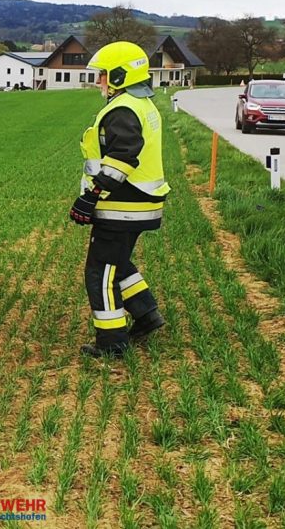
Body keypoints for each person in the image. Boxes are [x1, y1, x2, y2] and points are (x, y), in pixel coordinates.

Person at [69, 41, 170, 359]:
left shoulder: (124, 109)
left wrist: (90, 196)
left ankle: (112, 344)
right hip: (137, 204)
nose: (98, 81)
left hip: (123, 206)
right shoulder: (141, 103)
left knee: (99, 272)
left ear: (119, 75)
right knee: (118, 262)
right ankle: (147, 315)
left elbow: (122, 159)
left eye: (102, 75)